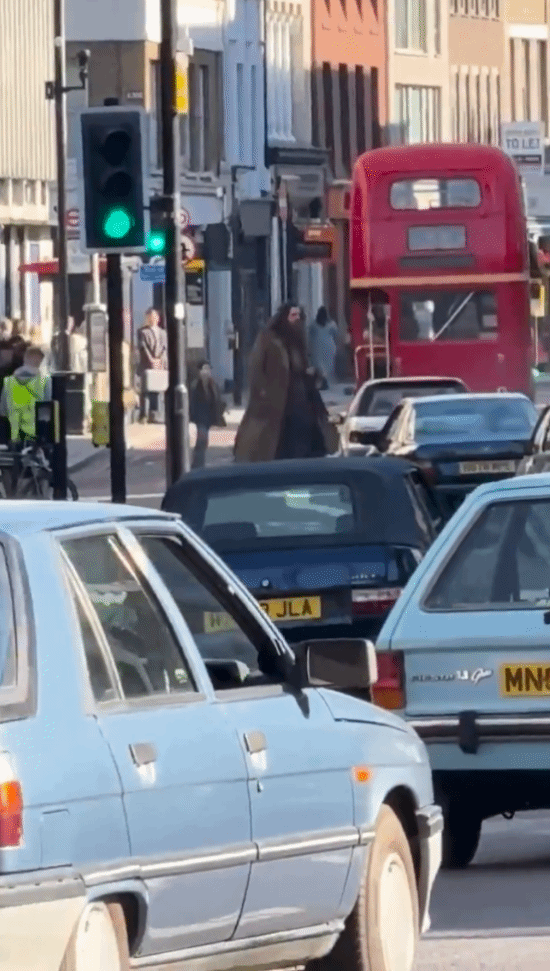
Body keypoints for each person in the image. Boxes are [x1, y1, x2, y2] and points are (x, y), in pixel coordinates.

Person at [234, 303, 337, 462]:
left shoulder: (299, 340)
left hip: (300, 401)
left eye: (299, 316)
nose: (296, 320)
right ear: (284, 317)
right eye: (293, 315)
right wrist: (262, 391)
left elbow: (301, 368)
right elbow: (255, 367)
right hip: (275, 401)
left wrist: (312, 374)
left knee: (305, 441)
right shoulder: (269, 338)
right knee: (274, 444)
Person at [0, 344, 51, 444]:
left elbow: (2, 410)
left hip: (14, 430)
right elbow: (47, 407)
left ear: (25, 359)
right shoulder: (45, 381)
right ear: (40, 362)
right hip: (37, 432)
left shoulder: (9, 381)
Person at [189, 361, 225, 469]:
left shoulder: (212, 384)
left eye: (208, 369)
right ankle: (198, 465)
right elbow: (192, 402)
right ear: (199, 371)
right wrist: (192, 415)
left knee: (203, 441)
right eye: (204, 369)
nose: (206, 372)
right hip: (200, 417)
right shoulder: (195, 385)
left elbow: (217, 399)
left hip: (209, 417)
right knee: (202, 439)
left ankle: (197, 462)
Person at [138, 308, 167, 424]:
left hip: (160, 364)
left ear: (158, 318)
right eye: (150, 316)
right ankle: (144, 415)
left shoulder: (163, 332)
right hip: (147, 365)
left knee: (159, 390)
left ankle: (156, 415)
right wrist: (152, 361)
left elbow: (164, 348)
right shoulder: (142, 332)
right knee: (146, 391)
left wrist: (160, 360)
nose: (153, 319)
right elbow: (143, 347)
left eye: (155, 316)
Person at [308, 306, 338, 389]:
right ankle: (325, 382)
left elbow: (310, 336)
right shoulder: (332, 324)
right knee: (327, 366)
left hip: (317, 347)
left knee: (319, 366)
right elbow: (336, 335)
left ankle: (322, 382)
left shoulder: (313, 324)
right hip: (328, 347)